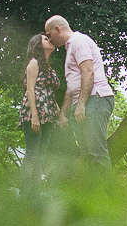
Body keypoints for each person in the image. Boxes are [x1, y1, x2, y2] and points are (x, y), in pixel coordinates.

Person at [44, 15, 114, 175]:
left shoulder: (78, 41)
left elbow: (89, 72)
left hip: (95, 99)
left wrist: (81, 104)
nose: (50, 39)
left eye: (49, 35)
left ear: (58, 29)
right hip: (83, 104)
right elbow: (72, 86)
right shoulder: (70, 48)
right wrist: (63, 114)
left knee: (97, 153)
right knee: (87, 155)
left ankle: (110, 197)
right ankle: (93, 196)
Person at [17, 33, 60, 195]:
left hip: (48, 113)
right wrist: (34, 116)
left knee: (41, 155)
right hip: (34, 112)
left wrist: (59, 113)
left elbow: (49, 91)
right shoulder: (34, 63)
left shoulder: (48, 67)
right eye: (45, 39)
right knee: (32, 154)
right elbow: (30, 89)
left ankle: (35, 192)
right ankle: (26, 192)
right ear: (37, 45)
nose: (50, 40)